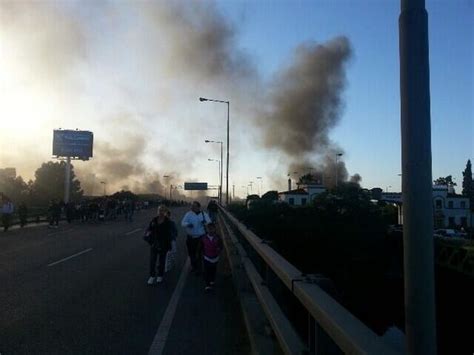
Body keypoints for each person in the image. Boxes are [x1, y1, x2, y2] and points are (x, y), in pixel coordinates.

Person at [145, 205, 173, 285]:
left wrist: (169, 246)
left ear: (165, 212)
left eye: (162, 210)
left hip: (164, 244)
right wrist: (149, 239)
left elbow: (169, 234)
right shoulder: (154, 220)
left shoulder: (167, 222)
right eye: (159, 210)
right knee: (152, 261)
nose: (160, 212)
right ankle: (152, 276)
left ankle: (160, 275)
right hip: (154, 243)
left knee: (162, 261)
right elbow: (149, 229)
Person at [181, 201, 211, 273]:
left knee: (199, 254)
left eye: (194, 206)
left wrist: (205, 222)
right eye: (192, 206)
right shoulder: (188, 214)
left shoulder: (204, 214)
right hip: (190, 238)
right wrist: (188, 224)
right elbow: (183, 223)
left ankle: (198, 269)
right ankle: (194, 266)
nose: (192, 207)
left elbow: (209, 223)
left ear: (198, 207)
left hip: (200, 238)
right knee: (191, 254)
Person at [200, 222, 223, 291]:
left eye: (212, 229)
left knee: (213, 269)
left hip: (215, 257)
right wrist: (201, 254)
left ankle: (212, 280)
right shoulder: (203, 237)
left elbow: (221, 246)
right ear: (206, 230)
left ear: (215, 229)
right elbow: (201, 247)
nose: (210, 230)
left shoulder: (218, 238)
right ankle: (207, 285)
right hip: (206, 257)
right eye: (209, 229)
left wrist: (219, 249)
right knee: (207, 270)